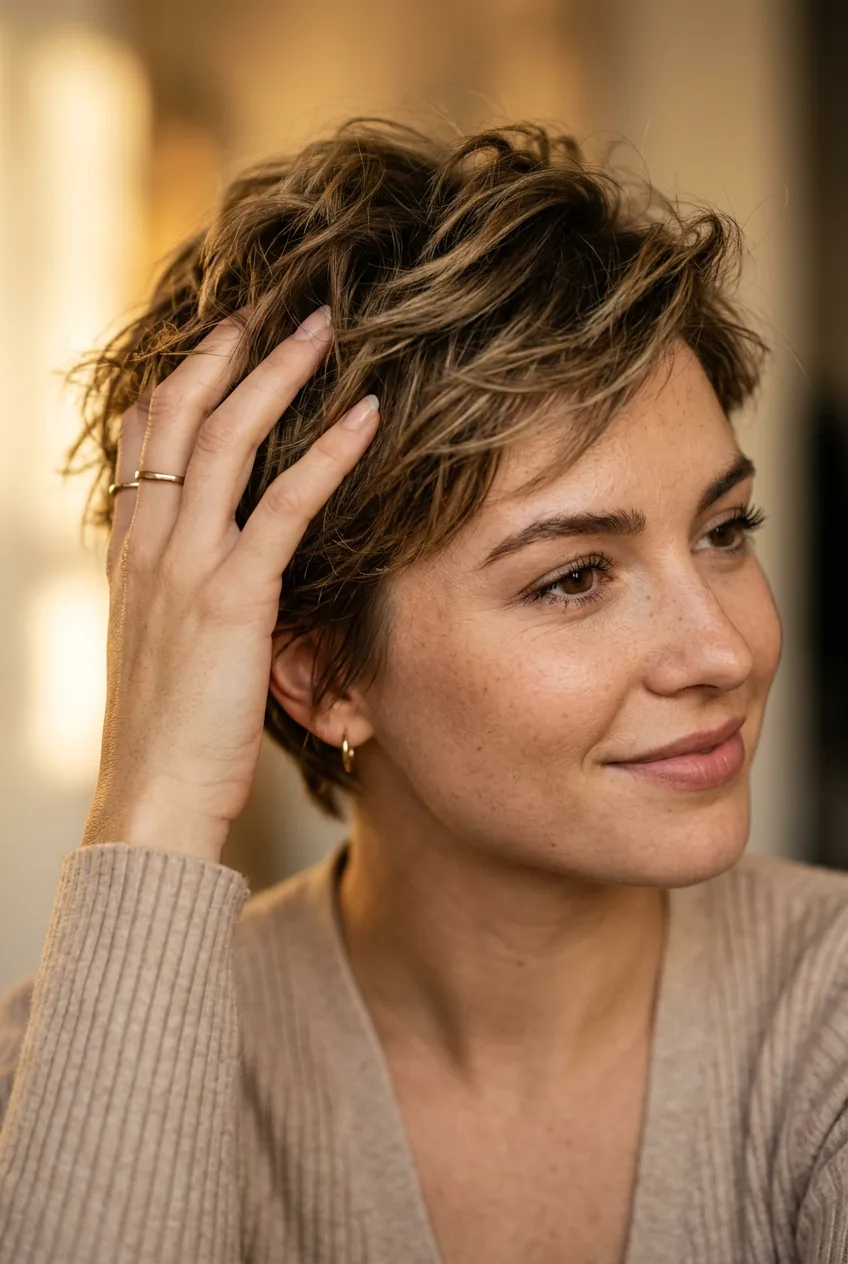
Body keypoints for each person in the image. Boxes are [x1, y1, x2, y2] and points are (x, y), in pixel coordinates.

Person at [0, 116, 845, 1264]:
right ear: (320, 673)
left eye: (721, 529)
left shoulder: (825, 1019)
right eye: (574, 578)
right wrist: (150, 791)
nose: (725, 648)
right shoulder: (56, 1084)